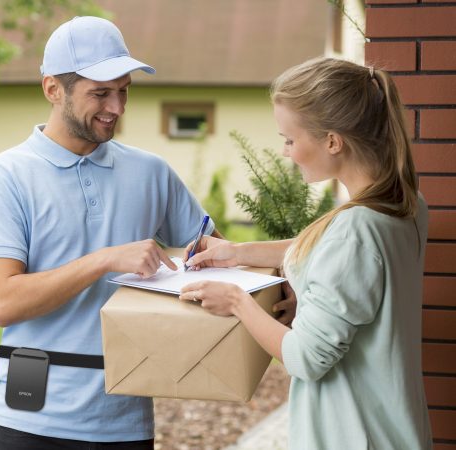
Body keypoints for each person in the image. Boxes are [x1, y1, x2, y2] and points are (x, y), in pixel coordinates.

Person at [0, 16, 220, 450]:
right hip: (32, 423)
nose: (117, 107)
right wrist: (104, 259)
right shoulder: (7, 175)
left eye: (124, 90)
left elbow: (215, 253)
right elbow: (4, 302)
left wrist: (280, 274)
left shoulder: (151, 172)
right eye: (100, 93)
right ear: (53, 89)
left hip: (126, 421)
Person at [180, 57, 433, 449]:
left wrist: (235, 301)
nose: (285, 151)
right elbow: (330, 251)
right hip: (392, 429)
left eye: (289, 139)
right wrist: (238, 251)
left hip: (351, 436)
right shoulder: (405, 205)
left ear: (333, 141)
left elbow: (305, 359)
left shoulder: (354, 231)